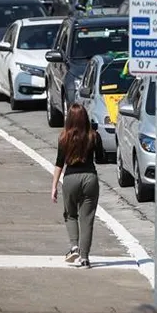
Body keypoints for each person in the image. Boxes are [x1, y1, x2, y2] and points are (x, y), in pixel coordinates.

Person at [51, 103, 102, 268]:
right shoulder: (93, 136)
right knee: (87, 219)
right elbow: (101, 158)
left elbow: (59, 163)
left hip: (70, 178)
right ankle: (85, 258)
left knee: (70, 214)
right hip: (90, 178)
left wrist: (54, 186)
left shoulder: (63, 137)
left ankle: (74, 246)